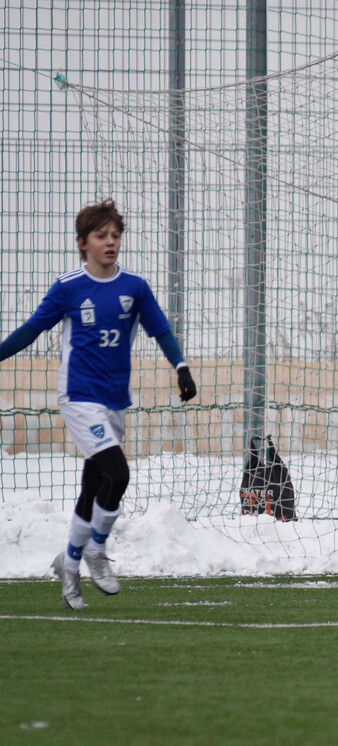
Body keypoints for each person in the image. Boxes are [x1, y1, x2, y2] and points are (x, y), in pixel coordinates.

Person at [0, 199, 196, 610]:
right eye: (102, 236)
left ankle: (69, 563)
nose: (111, 243)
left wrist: (181, 367)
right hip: (79, 396)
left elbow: (161, 329)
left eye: (116, 236)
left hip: (114, 400)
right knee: (118, 474)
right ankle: (96, 550)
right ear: (82, 243)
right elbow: (31, 330)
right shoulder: (69, 287)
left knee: (94, 486)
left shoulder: (135, 288)